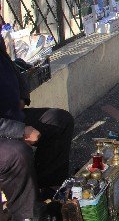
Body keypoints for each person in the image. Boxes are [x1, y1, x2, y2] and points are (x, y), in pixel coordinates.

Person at [0, 39, 74, 220]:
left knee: (59, 121)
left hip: (10, 117)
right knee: (17, 155)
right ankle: (25, 214)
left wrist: (23, 97)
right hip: (5, 128)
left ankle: (46, 192)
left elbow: (9, 65)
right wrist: (19, 131)